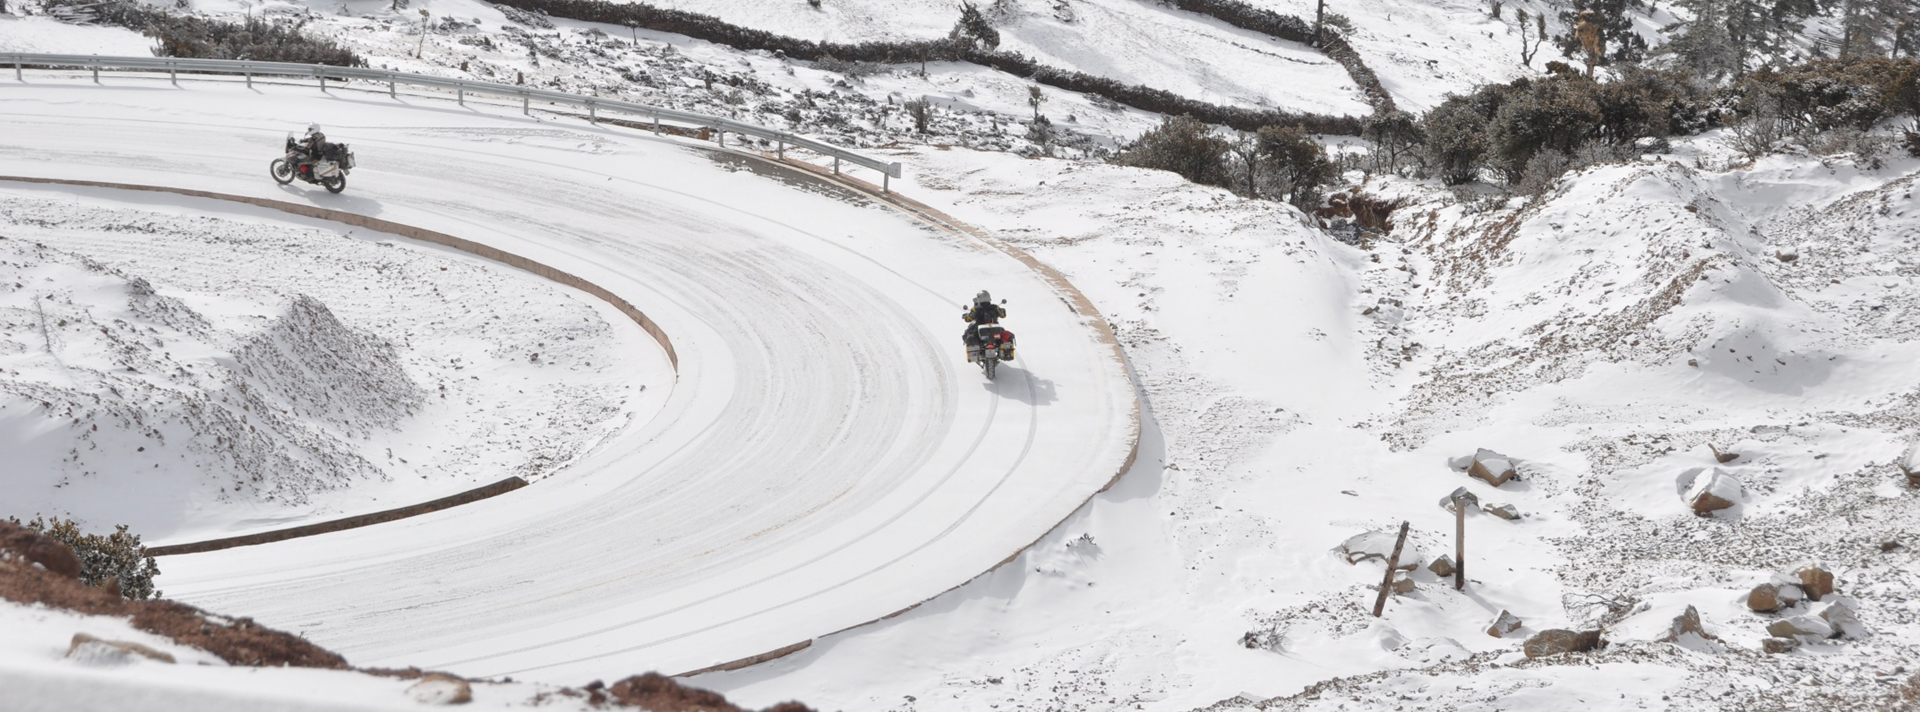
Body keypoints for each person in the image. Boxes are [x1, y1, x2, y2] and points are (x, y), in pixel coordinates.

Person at [962, 290, 1008, 360]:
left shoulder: (976, 309)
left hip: (979, 331)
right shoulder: (995, 307)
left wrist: (966, 316)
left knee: (968, 333)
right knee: (1003, 333)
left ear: (980, 299)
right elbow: (1003, 315)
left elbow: (968, 319)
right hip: (994, 331)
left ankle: (975, 353)